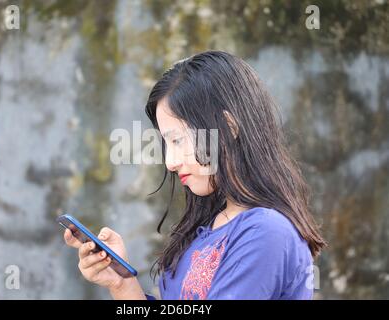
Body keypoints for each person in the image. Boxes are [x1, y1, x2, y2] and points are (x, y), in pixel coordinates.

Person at [63, 50, 327, 300]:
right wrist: (121, 283)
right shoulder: (213, 225)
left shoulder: (266, 232)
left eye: (178, 140)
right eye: (167, 144)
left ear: (228, 127)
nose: (170, 162)